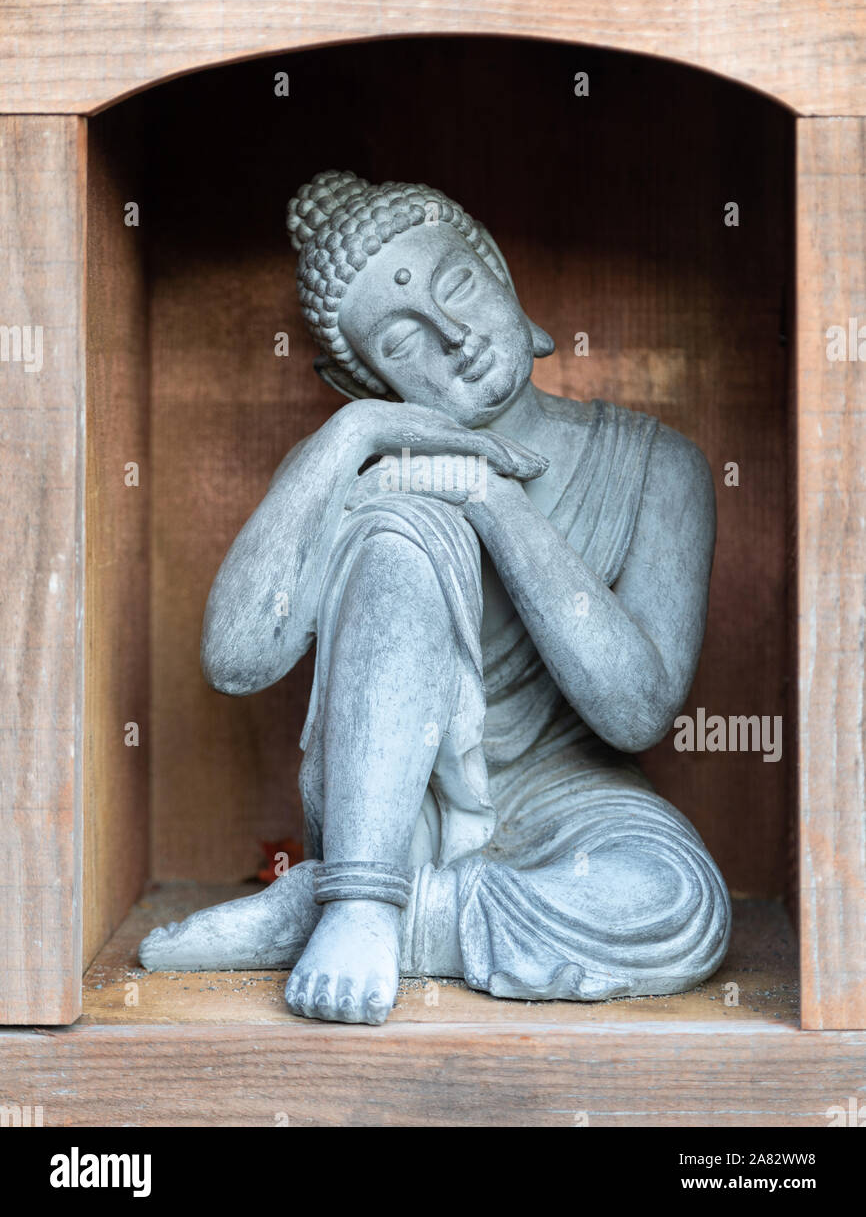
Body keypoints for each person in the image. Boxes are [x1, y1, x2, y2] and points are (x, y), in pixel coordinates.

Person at [140, 171, 731, 1025]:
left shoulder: (658, 466)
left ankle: (363, 914)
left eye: (458, 286)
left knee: (682, 905)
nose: (454, 338)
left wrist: (493, 500)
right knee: (403, 520)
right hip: (397, 809)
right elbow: (234, 659)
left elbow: (636, 712)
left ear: (499, 272)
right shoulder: (363, 464)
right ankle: (362, 897)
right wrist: (351, 438)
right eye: (402, 342)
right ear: (367, 380)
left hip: (568, 800)